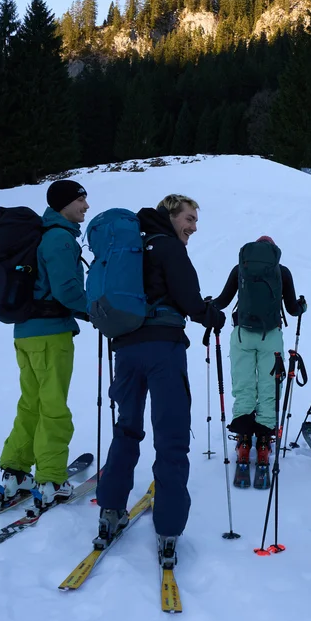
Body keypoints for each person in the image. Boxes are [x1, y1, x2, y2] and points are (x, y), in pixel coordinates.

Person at [93, 194, 227, 564]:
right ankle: (168, 528)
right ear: (169, 215)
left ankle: (110, 511)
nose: (194, 226)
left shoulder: (134, 247)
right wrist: (210, 315)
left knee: (127, 429)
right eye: (189, 218)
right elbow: (189, 299)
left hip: (127, 351)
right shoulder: (167, 247)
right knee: (171, 438)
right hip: (163, 351)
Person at [0, 180, 91, 509]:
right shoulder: (59, 239)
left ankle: (15, 470)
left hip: (25, 334)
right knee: (53, 406)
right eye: (81, 200)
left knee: (31, 403)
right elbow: (67, 290)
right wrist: (95, 311)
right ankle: (50, 477)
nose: (86, 206)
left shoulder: (41, 235)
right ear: (64, 204)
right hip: (51, 334)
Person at [210, 236, 306, 486]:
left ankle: (243, 440)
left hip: (241, 334)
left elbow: (223, 301)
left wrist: (207, 305)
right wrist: (302, 307)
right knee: (269, 386)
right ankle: (263, 442)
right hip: (271, 337)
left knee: (243, 385)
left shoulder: (240, 268)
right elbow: (293, 309)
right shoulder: (281, 272)